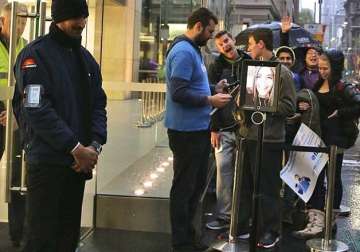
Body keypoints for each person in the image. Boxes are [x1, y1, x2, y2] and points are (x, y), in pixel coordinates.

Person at [12, 0, 107, 251]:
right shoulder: (35, 55)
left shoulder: (86, 60)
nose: (81, 22)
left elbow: (99, 105)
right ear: (58, 18)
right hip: (47, 162)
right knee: (40, 239)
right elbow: (36, 108)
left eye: (84, 16)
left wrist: (94, 145)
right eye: (75, 17)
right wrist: (74, 147)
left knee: (67, 237)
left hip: (78, 165)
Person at [165, 8, 232, 252]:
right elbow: (179, 92)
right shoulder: (183, 51)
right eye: (210, 31)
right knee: (185, 188)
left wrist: (214, 87)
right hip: (185, 132)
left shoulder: (192, 50)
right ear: (199, 26)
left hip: (195, 129)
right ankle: (181, 243)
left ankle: (189, 238)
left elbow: (193, 85)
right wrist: (210, 100)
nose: (211, 36)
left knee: (194, 188)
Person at [237, 28, 296, 249]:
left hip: (270, 139)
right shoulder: (250, 68)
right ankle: (245, 225)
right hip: (248, 135)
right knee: (245, 184)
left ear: (261, 44)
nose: (249, 48)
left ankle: (271, 230)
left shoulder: (283, 73)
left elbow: (289, 106)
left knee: (268, 187)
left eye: (251, 43)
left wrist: (264, 105)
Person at [293, 50, 360, 239]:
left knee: (333, 179)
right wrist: (302, 106)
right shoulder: (317, 84)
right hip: (316, 139)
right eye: (320, 68)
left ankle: (330, 218)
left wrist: (340, 112)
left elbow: (357, 105)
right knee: (313, 177)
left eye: (325, 68)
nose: (322, 71)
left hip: (336, 141)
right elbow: (311, 103)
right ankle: (316, 219)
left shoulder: (342, 87)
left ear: (335, 67)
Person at [205, 30, 251, 233]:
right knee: (223, 174)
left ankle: (243, 216)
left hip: (246, 129)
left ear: (232, 40)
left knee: (245, 174)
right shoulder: (215, 66)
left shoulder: (249, 61)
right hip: (222, 128)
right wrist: (213, 129)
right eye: (220, 44)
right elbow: (210, 96)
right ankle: (224, 215)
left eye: (226, 41)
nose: (224, 46)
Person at [0, 2, 28, 247]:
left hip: (15, 120)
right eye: (17, 21)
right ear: (2, 21)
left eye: (24, 21)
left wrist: (16, 113)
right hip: (1, 117)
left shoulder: (24, 45)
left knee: (18, 176)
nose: (21, 25)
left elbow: (26, 86)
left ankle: (17, 233)